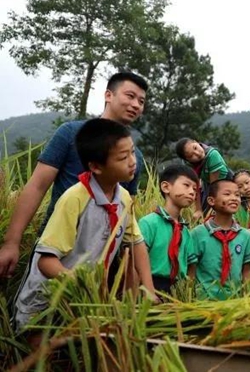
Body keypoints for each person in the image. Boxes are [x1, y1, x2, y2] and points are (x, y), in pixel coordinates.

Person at [12, 119, 156, 341]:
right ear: (96, 166)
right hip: (47, 302)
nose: (132, 162)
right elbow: (46, 261)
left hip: (84, 303)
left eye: (132, 153)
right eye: (122, 157)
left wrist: (148, 289)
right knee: (42, 359)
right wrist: (79, 285)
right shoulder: (74, 199)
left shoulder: (124, 199)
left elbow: (135, 244)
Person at [0, 72, 148, 279]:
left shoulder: (135, 158)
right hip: (53, 252)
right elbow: (37, 186)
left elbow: (125, 214)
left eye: (141, 101)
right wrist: (11, 242)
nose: (136, 105)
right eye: (130, 96)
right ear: (108, 95)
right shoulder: (70, 133)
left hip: (99, 261)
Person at [189, 178, 250, 300]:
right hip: (203, 303)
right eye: (227, 194)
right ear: (211, 200)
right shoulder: (198, 234)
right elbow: (191, 271)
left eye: (237, 195)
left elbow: (247, 272)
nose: (234, 198)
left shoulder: (245, 236)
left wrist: (247, 299)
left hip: (234, 303)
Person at [138, 164, 199, 294]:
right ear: (166, 187)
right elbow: (136, 260)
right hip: (150, 286)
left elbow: (191, 265)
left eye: (195, 189)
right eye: (186, 185)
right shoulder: (149, 223)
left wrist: (187, 289)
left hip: (177, 289)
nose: (192, 192)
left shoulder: (185, 231)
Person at [175, 138, 230, 221]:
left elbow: (214, 187)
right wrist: (198, 210)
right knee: (202, 215)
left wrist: (212, 209)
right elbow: (195, 186)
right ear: (187, 160)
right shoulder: (188, 165)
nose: (197, 153)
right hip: (208, 183)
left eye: (195, 148)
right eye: (191, 156)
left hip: (225, 182)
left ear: (196, 142)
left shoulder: (213, 155)